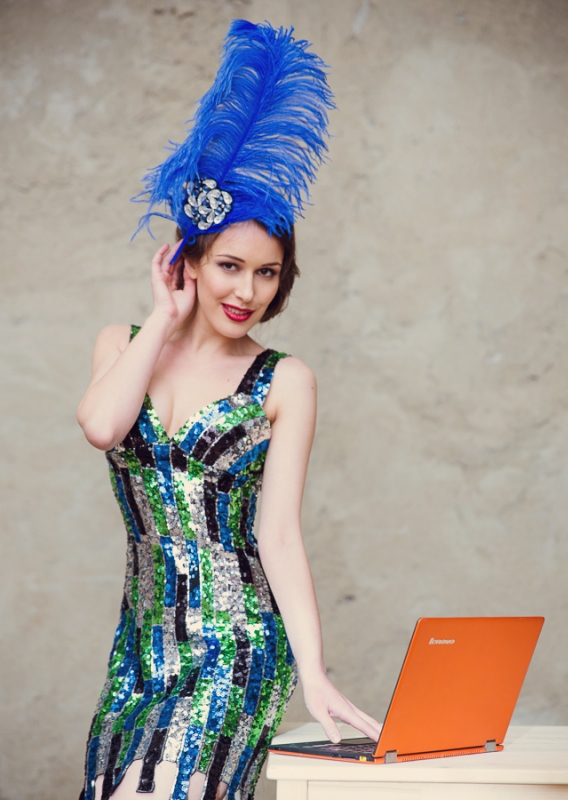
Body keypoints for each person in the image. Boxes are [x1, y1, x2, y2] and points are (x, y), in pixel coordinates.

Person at [77, 21, 380, 800]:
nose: (248, 291)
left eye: (268, 273)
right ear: (190, 260)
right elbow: (103, 427)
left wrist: (314, 671)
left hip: (238, 648)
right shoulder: (122, 344)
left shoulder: (285, 381)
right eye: (230, 265)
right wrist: (163, 317)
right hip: (141, 647)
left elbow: (278, 535)